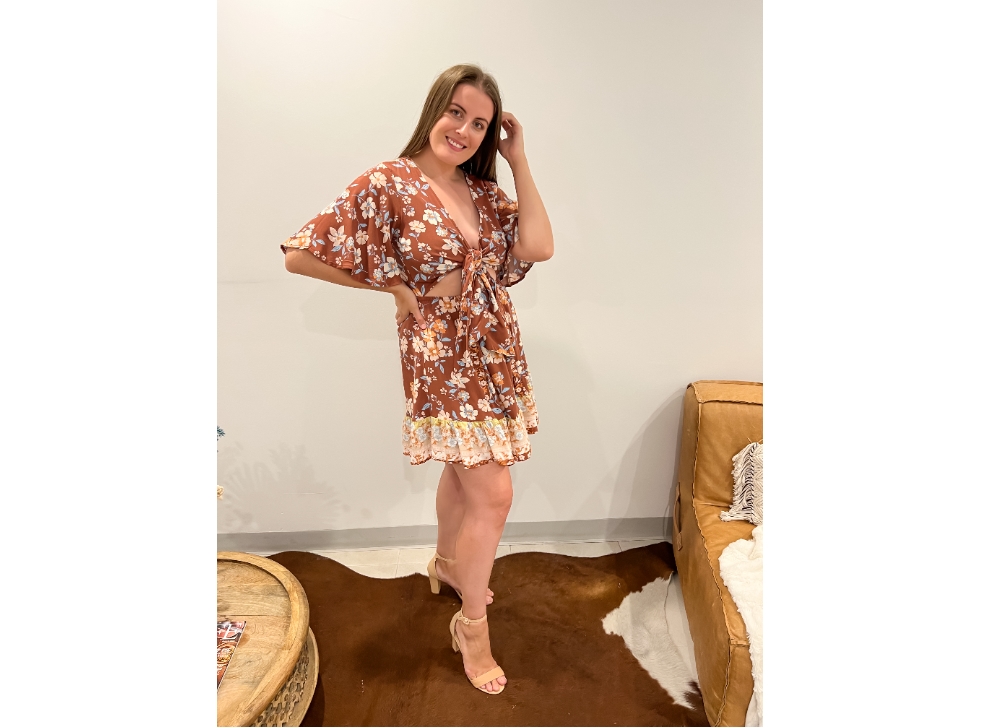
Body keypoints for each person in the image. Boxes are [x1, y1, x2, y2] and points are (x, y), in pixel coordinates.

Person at [281, 64, 553, 695]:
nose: (464, 130)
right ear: (434, 109)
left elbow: (538, 246)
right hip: (439, 355)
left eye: (480, 123)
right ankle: (472, 627)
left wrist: (517, 160)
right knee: (494, 494)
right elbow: (300, 254)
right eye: (456, 112)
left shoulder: (482, 190)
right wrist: (395, 286)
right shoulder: (389, 182)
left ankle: (449, 565)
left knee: (463, 474)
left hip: (492, 348)